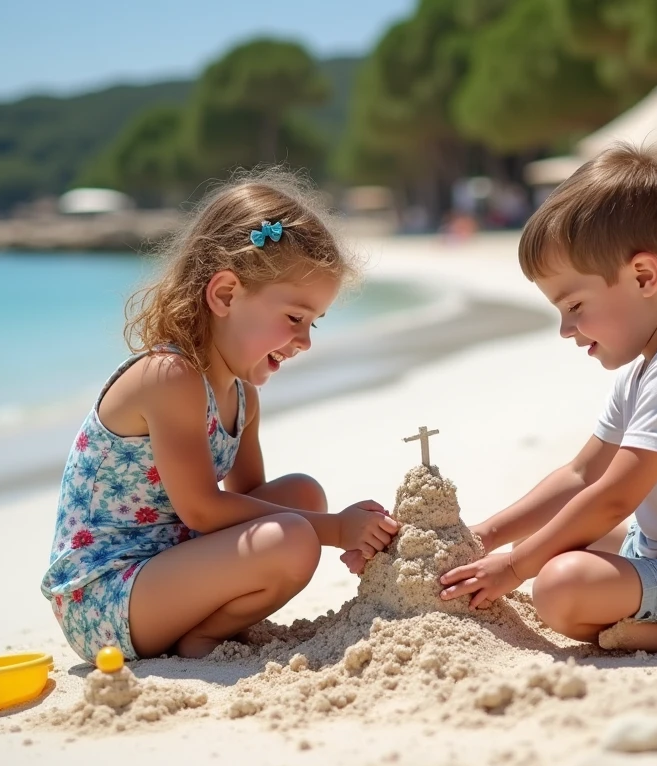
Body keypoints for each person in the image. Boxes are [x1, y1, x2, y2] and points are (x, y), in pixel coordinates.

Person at [438, 144, 657, 654]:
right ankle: (643, 622)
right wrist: (486, 537)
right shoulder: (648, 368)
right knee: (542, 545)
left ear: (644, 276)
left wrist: (515, 570)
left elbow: (614, 496)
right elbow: (580, 475)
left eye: (575, 305)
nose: (566, 329)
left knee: (556, 584)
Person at [41, 170, 399, 663]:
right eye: (294, 318)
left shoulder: (242, 396)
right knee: (297, 531)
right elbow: (204, 511)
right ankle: (201, 638)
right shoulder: (169, 376)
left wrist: (331, 522)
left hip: (167, 566)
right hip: (107, 598)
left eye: (313, 323)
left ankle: (202, 631)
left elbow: (247, 503)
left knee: (301, 495)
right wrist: (335, 529)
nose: (306, 341)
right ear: (226, 295)